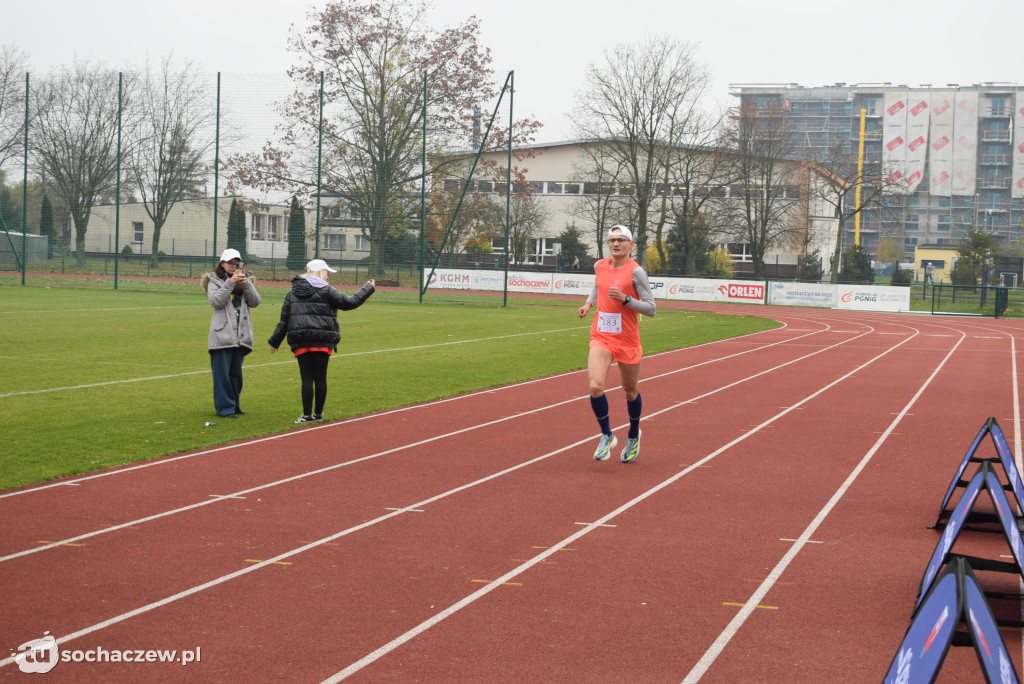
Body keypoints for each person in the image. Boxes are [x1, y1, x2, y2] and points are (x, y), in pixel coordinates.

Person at [576, 225, 656, 463]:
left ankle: (633, 434)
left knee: (630, 391)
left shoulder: (636, 272)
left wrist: (626, 299)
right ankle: (607, 434)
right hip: (601, 335)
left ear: (631, 245)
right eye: (612, 240)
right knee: (595, 387)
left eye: (621, 240)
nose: (615, 244)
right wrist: (589, 303)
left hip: (627, 339)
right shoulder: (600, 265)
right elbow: (598, 284)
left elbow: (651, 309)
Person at [268, 258, 375, 423]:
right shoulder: (327, 290)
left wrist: (275, 341)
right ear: (319, 272)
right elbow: (350, 302)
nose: (328, 277)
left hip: (301, 339)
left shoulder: (292, 291)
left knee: (306, 378)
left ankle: (306, 415)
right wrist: (368, 288)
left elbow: (284, 319)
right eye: (327, 273)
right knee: (320, 377)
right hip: (322, 339)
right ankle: (317, 414)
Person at [203, 248, 261, 418]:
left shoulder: (246, 280)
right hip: (222, 334)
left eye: (236, 263)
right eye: (230, 263)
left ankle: (234, 405)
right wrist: (230, 283)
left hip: (240, 334)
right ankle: (224, 408)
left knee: (236, 374)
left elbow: (255, 302)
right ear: (222, 263)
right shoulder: (214, 280)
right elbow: (216, 302)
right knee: (222, 376)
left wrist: (245, 283)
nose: (233, 266)